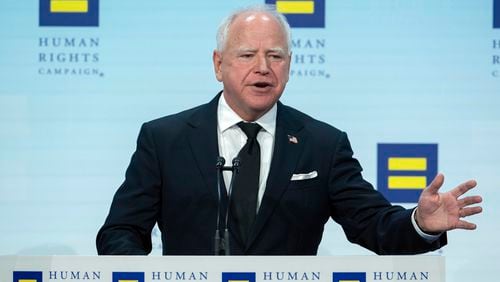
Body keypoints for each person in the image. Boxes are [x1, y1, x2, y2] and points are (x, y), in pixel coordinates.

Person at [96, 5, 482, 255]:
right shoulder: (165, 139)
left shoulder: (322, 144)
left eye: (275, 56)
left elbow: (373, 225)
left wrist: (420, 224)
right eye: (247, 55)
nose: (263, 67)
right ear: (218, 65)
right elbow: (121, 231)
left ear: (289, 65)